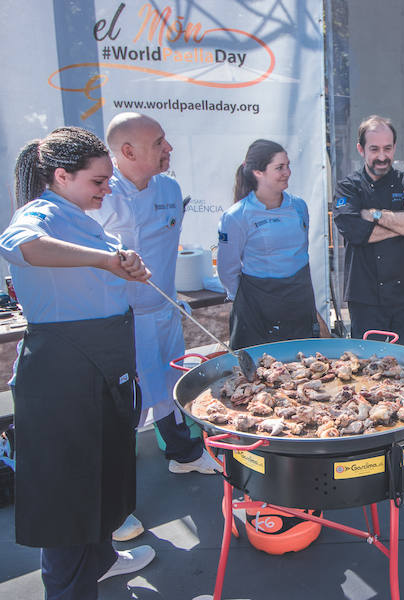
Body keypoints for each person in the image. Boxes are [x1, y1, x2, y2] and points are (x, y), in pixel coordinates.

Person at [0, 127, 155, 599]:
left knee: (105, 472)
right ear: (61, 176)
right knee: (68, 490)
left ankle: (103, 560)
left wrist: (121, 264)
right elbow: (20, 247)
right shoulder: (38, 215)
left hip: (103, 365)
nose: (107, 189)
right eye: (98, 181)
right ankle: (67, 588)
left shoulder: (83, 216)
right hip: (63, 376)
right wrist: (105, 262)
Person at [91, 114, 221, 545]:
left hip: (164, 311)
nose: (169, 149)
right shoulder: (102, 198)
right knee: (123, 410)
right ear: (127, 152)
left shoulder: (169, 189)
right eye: (159, 142)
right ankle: (113, 508)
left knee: (170, 385)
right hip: (120, 321)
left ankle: (183, 454)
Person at [333, 116, 404, 347]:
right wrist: (401, 225)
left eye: (387, 148)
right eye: (374, 149)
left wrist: (374, 215)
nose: (382, 156)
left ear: (394, 147)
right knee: (369, 365)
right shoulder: (347, 187)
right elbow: (354, 230)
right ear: (361, 149)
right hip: (365, 296)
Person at [218, 139, 321, 349]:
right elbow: (227, 269)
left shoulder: (299, 206)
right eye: (279, 167)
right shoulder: (236, 216)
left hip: (299, 296)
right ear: (258, 172)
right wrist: (247, 298)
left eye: (288, 165)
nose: (287, 172)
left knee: (305, 365)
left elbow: (301, 251)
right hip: (259, 304)